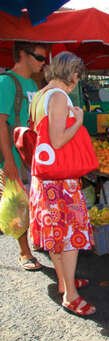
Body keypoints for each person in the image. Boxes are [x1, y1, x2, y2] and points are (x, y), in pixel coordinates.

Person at [29, 51, 96, 316]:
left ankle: (63, 281)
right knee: (70, 238)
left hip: (45, 179)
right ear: (73, 73)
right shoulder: (58, 97)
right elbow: (57, 141)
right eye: (78, 75)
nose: (78, 80)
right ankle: (71, 295)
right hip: (61, 182)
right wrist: (78, 122)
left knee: (56, 235)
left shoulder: (41, 94)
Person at [0, 41, 49, 270]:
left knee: (33, 200)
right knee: (18, 203)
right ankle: (24, 251)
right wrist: (8, 161)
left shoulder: (33, 82)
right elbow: (0, 123)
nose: (43, 62)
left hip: (34, 154)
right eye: (39, 57)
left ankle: (36, 239)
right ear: (23, 54)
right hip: (14, 155)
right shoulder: (6, 82)